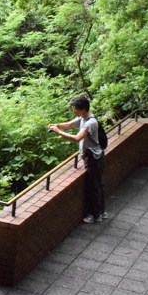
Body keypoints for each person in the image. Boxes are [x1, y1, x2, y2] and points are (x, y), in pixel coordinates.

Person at [48, 95, 107, 223]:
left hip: (94, 158)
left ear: (83, 109)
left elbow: (77, 138)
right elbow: (69, 125)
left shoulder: (91, 122)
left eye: (75, 109)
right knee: (97, 185)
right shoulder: (82, 118)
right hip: (92, 157)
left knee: (94, 186)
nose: (73, 111)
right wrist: (56, 125)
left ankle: (95, 215)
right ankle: (101, 211)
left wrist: (58, 132)